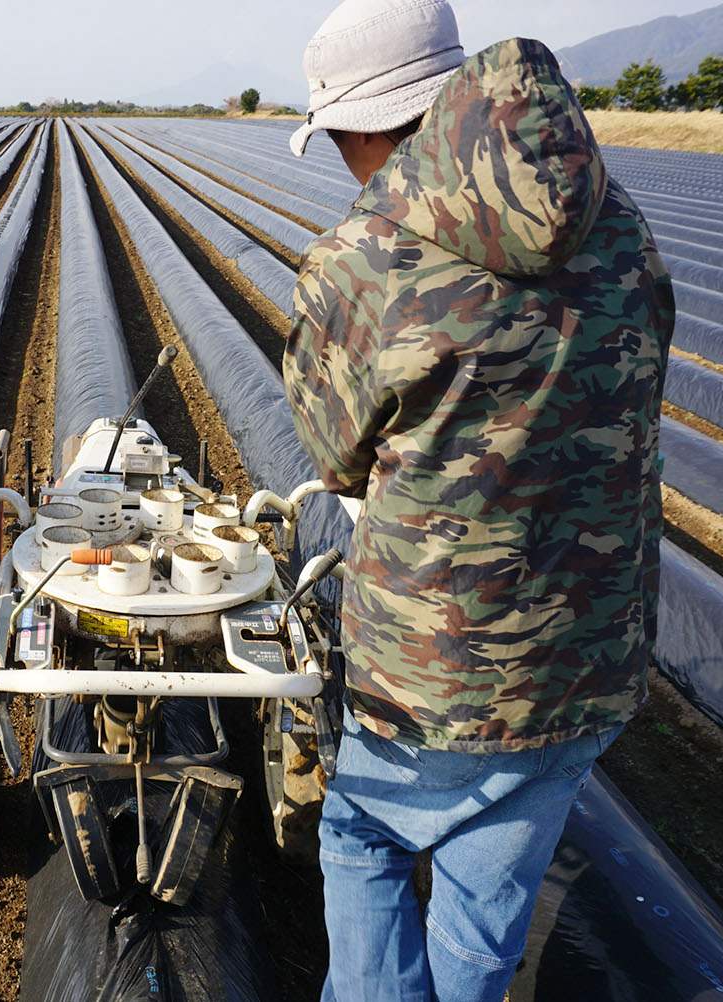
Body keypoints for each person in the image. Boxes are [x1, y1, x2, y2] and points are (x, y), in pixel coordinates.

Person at [281, 1, 675, 1000]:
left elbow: (336, 457)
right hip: (589, 650)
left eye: (338, 139)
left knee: (364, 837)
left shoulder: (361, 261)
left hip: (438, 667)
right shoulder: (618, 220)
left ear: (370, 127)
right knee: (487, 885)